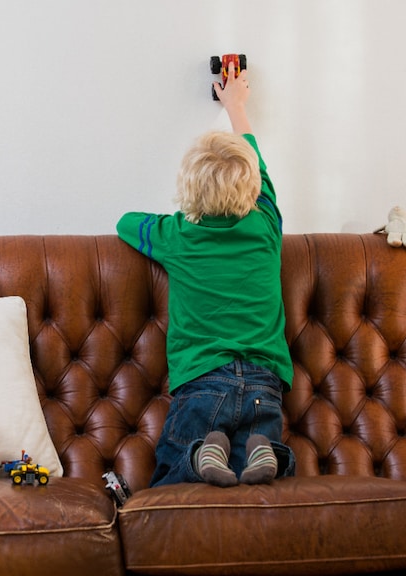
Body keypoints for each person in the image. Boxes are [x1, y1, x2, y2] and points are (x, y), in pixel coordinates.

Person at [116, 61, 295, 488]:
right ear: (254, 189)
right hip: (264, 383)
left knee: (173, 475)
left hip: (202, 382)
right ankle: (264, 449)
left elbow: (125, 222)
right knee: (257, 475)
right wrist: (236, 105)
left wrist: (183, 213)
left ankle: (197, 457)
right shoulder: (267, 225)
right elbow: (255, 159)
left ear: (188, 190)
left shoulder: (176, 235)